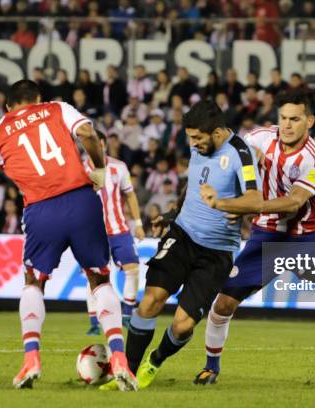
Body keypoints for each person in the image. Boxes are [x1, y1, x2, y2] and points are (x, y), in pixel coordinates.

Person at [0, 80, 137, 392]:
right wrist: (99, 166)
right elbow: (88, 134)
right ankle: (119, 358)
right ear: (37, 99)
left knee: (34, 281)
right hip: (82, 201)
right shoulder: (56, 108)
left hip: (41, 211)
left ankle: (31, 360)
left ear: (8, 106)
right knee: (100, 280)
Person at [193, 89, 315, 386]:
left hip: (307, 237)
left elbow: (294, 202)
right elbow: (229, 154)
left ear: (310, 121)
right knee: (223, 304)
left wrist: (244, 205)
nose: (287, 125)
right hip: (266, 237)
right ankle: (210, 366)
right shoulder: (260, 138)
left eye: (295, 119)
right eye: (283, 117)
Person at [100, 100, 263, 391]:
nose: (193, 143)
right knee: (150, 300)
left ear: (216, 133)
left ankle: (155, 360)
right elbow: (194, 186)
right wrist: (172, 214)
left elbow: (255, 200)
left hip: (217, 252)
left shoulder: (241, 154)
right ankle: (127, 373)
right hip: (182, 235)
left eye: (198, 138)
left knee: (183, 325)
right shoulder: (199, 147)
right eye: (190, 137)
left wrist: (222, 203)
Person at [85, 131, 146, 335]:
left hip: (119, 229)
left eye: (98, 143)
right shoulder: (80, 169)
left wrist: (138, 223)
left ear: (103, 144)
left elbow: (130, 195)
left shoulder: (119, 167)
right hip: (92, 232)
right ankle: (94, 322)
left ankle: (127, 315)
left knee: (133, 268)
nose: (95, 147)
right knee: (94, 275)